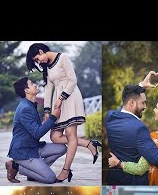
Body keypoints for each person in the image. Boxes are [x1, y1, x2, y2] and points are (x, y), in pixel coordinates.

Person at [26, 43, 101, 182]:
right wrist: (47, 111)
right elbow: (48, 89)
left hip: (70, 97)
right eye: (36, 61)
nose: (39, 62)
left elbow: (73, 80)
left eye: (37, 58)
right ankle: (88, 144)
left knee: (71, 135)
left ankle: (66, 171)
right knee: (55, 136)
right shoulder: (47, 67)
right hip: (58, 103)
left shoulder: (63, 58)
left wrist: (61, 98)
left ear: (41, 51)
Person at [108, 72, 158, 185]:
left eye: (156, 107)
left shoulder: (155, 137)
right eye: (143, 103)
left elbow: (140, 169)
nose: (152, 109)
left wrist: (118, 163)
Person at [6, 77, 66, 184]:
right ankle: (15, 166)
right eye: (31, 83)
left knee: (61, 148)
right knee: (50, 178)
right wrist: (53, 118)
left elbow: (34, 129)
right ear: (27, 90)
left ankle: (34, 173)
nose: (35, 84)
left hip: (34, 147)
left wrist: (47, 121)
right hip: (24, 151)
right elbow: (37, 133)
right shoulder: (25, 108)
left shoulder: (30, 105)